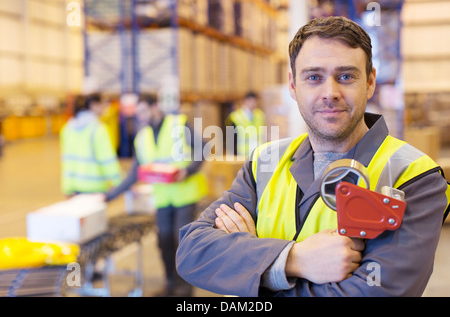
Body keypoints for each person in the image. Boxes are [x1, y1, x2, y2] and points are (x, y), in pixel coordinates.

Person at [176, 16, 450, 297]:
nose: (330, 93)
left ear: (369, 82)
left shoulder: (413, 175)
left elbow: (375, 293)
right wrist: (294, 260)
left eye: (345, 76)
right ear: (293, 86)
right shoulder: (266, 162)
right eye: (313, 77)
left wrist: (252, 268)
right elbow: (193, 252)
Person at [104, 93, 208, 297]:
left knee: (181, 243)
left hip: (184, 194)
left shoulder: (178, 125)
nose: (140, 116)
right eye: (137, 113)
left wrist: (188, 170)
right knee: (164, 241)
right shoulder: (142, 137)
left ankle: (185, 290)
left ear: (155, 107)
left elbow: (203, 148)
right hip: (162, 198)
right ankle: (170, 285)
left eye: (143, 111)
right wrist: (109, 196)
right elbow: (135, 172)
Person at [60, 93, 122, 196]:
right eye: (103, 104)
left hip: (75, 188)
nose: (105, 108)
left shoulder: (67, 129)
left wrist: (67, 188)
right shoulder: (98, 129)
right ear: (94, 105)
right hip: (96, 188)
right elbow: (107, 160)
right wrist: (119, 183)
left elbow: (67, 162)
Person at [225, 91, 266, 157]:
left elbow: (262, 134)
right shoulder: (235, 117)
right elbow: (232, 139)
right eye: (251, 101)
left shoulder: (260, 115)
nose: (253, 104)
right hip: (242, 155)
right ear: (245, 101)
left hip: (257, 153)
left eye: (255, 101)